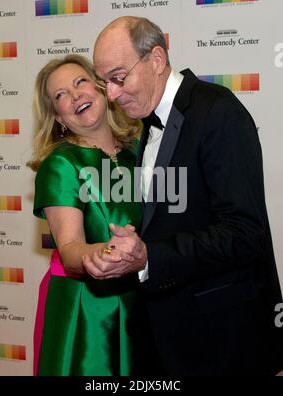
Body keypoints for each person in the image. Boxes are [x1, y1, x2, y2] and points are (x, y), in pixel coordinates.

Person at [92, 16, 283, 375]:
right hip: (166, 335)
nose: (112, 95)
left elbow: (245, 233)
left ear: (157, 60)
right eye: (105, 83)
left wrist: (151, 256)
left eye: (119, 77)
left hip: (220, 340)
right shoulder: (146, 124)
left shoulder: (217, 111)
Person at [28, 54, 154, 376]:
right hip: (87, 310)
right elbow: (70, 250)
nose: (75, 96)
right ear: (58, 117)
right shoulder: (61, 164)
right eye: (61, 96)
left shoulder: (137, 153)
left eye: (80, 82)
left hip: (140, 304)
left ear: (101, 88)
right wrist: (106, 253)